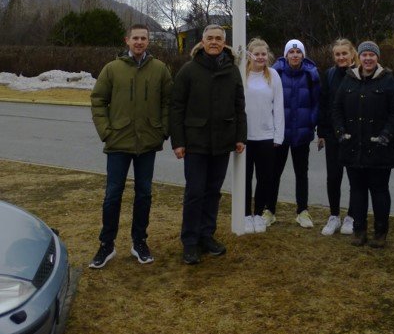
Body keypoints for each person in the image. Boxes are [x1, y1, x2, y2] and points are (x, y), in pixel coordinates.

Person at [89, 24, 173, 268]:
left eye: (143, 38)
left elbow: (169, 102)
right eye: (135, 38)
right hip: (118, 142)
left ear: (148, 41)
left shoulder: (160, 69)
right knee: (112, 195)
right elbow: (98, 101)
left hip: (147, 143)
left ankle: (139, 242)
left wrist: (162, 131)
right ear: (127, 40)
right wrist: (106, 132)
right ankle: (106, 244)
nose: (139, 42)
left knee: (144, 194)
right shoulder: (112, 69)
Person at [171, 24, 247, 265]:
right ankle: (190, 242)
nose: (214, 42)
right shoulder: (188, 70)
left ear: (224, 43)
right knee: (195, 192)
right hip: (196, 142)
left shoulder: (232, 71)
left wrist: (240, 137)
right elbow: (176, 108)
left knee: (213, 192)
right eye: (210, 38)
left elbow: (239, 106)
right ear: (202, 42)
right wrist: (178, 142)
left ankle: (206, 236)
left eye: (218, 39)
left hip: (222, 142)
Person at [332, 41, 394, 248]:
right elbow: (336, 108)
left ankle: (380, 233)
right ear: (359, 57)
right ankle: (359, 230)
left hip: (380, 148)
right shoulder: (349, 79)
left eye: (372, 55)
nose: (368, 59)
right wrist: (340, 132)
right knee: (357, 191)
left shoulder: (388, 80)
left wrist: (387, 134)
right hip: (353, 147)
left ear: (377, 58)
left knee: (380, 191)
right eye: (364, 55)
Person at [264, 39, 320, 228]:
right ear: (286, 55)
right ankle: (269, 211)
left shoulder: (311, 74)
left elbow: (316, 102)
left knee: (301, 173)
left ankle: (302, 212)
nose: (295, 55)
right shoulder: (276, 73)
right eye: (291, 52)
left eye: (298, 52)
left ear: (303, 55)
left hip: (302, 134)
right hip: (279, 134)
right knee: (274, 173)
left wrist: (311, 122)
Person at [317, 38, 358, 236]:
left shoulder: (359, 73)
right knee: (333, 177)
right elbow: (324, 104)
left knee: (354, 178)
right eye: (337, 54)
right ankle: (334, 215)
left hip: (355, 135)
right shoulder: (329, 74)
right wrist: (321, 132)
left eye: (344, 53)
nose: (341, 57)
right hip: (333, 135)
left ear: (352, 54)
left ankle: (352, 216)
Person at [244, 38, 284, 233]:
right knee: (245, 178)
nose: (260, 57)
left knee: (264, 178)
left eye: (263, 54)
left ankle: (259, 214)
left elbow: (278, 106)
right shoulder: (242, 74)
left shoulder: (273, 75)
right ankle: (245, 215)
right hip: (245, 137)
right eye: (257, 54)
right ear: (250, 55)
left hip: (266, 137)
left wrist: (278, 136)